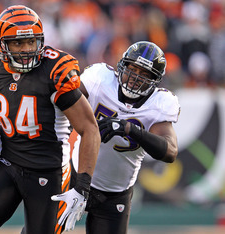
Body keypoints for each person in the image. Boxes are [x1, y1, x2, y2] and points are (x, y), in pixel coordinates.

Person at [0, 5, 100, 234]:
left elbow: (89, 128)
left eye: (31, 42)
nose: (26, 49)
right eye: (17, 43)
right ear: (1, 44)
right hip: (7, 164)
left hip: (49, 171)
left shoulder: (54, 71)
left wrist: (82, 186)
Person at [71, 41, 180, 234]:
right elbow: (64, 100)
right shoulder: (100, 79)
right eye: (133, 69)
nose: (136, 77)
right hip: (75, 177)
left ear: (155, 80)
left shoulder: (159, 103)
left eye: (145, 74)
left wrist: (131, 129)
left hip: (115, 193)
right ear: (122, 65)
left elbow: (170, 151)